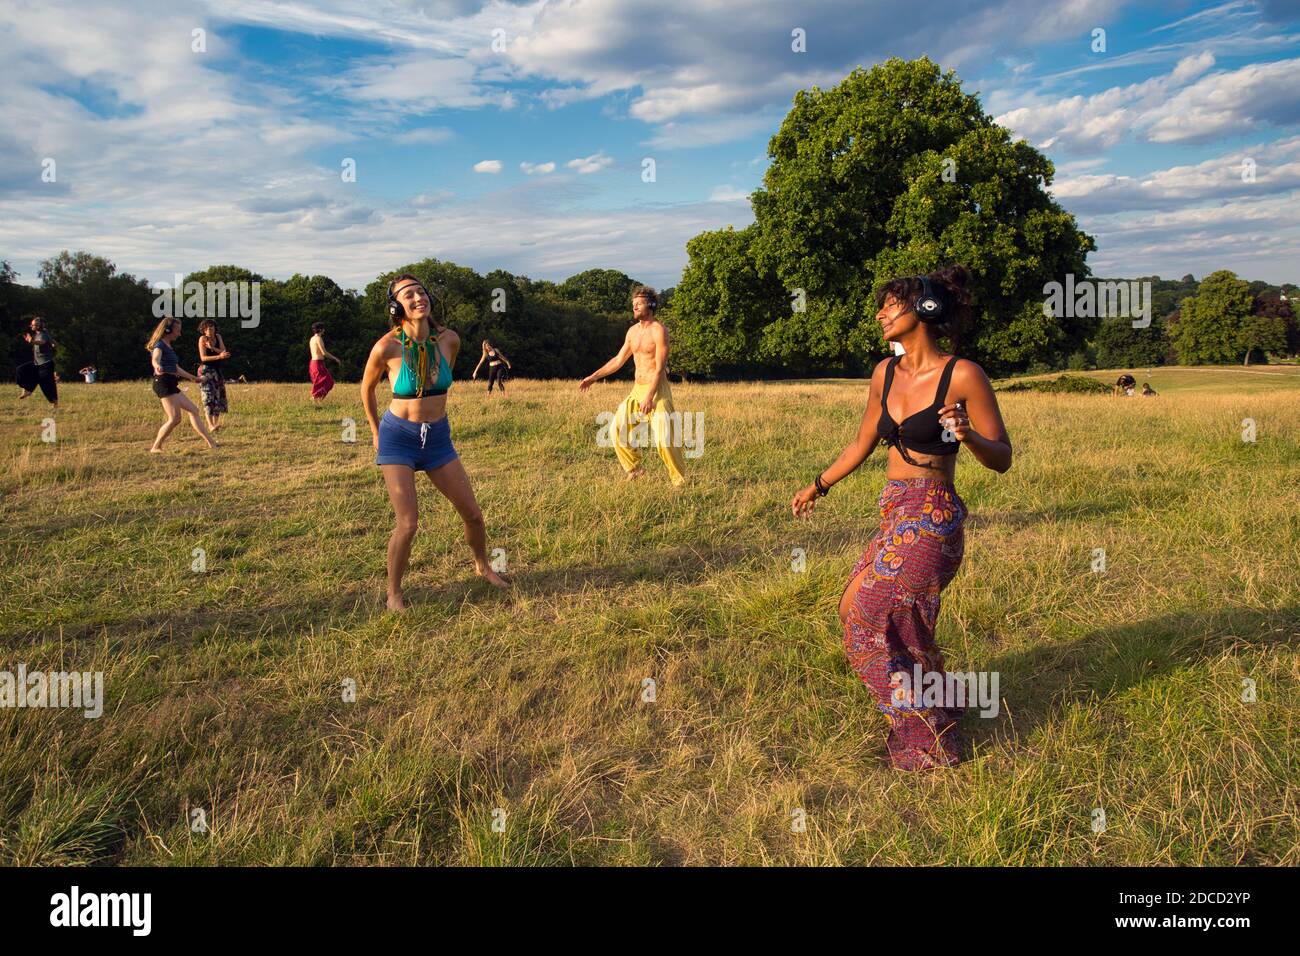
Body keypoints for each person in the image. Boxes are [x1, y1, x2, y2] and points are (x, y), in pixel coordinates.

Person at [790, 265, 1012, 771]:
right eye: (882, 305)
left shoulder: (963, 375)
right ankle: (941, 694)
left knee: (869, 617)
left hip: (934, 516)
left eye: (892, 304)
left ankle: (923, 736)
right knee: (854, 608)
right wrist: (818, 485)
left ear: (925, 310)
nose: (881, 313)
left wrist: (968, 435)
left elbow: (1003, 457)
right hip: (894, 509)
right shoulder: (883, 373)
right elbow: (864, 440)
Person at [361, 274, 511, 612]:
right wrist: (374, 430)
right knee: (409, 522)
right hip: (398, 437)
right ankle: (394, 593)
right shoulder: (387, 346)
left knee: (473, 514)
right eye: (408, 294)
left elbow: (442, 383)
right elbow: (366, 389)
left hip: (438, 437)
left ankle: (482, 566)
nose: (418, 298)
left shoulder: (449, 340)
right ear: (395, 305)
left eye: (421, 292)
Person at [578, 285, 687, 486]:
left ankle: (679, 481)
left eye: (639, 303)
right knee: (616, 429)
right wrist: (593, 377)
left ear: (651, 305)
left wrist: (649, 396)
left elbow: (660, 368)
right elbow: (618, 360)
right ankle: (635, 469)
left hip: (657, 390)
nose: (635, 307)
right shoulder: (632, 332)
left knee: (665, 439)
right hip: (637, 389)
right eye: (633, 304)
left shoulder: (659, 330)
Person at [146, 317, 218, 453]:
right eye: (177, 331)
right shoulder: (159, 345)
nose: (179, 334)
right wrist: (157, 365)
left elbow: (176, 368)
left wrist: (193, 378)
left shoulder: (168, 346)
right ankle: (156, 447)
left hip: (171, 382)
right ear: (167, 330)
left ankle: (212, 443)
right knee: (175, 418)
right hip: (163, 383)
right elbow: (155, 358)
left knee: (194, 410)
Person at [196, 319, 230, 431]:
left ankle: (216, 424)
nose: (209, 330)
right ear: (203, 330)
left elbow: (224, 352)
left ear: (215, 328)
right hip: (206, 370)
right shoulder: (202, 339)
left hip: (217, 371)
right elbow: (203, 358)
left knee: (218, 397)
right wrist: (219, 356)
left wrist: (213, 348)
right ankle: (210, 425)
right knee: (208, 397)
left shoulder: (218, 337)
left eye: (211, 328)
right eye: (206, 328)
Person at [17, 316, 58, 407]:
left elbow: (41, 342)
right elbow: (52, 342)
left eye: (33, 325)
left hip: (46, 364)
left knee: (46, 384)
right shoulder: (42, 332)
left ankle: (54, 402)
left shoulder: (42, 334)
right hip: (37, 363)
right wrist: (53, 343)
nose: (31, 326)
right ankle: (27, 389)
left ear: (38, 326)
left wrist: (32, 341)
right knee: (21, 370)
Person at [309, 323, 341, 406]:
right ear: (320, 329)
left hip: (313, 363)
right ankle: (315, 398)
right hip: (318, 364)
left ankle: (317, 401)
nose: (324, 330)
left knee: (319, 383)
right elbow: (324, 353)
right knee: (329, 382)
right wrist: (335, 358)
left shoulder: (312, 339)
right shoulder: (319, 338)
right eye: (323, 328)